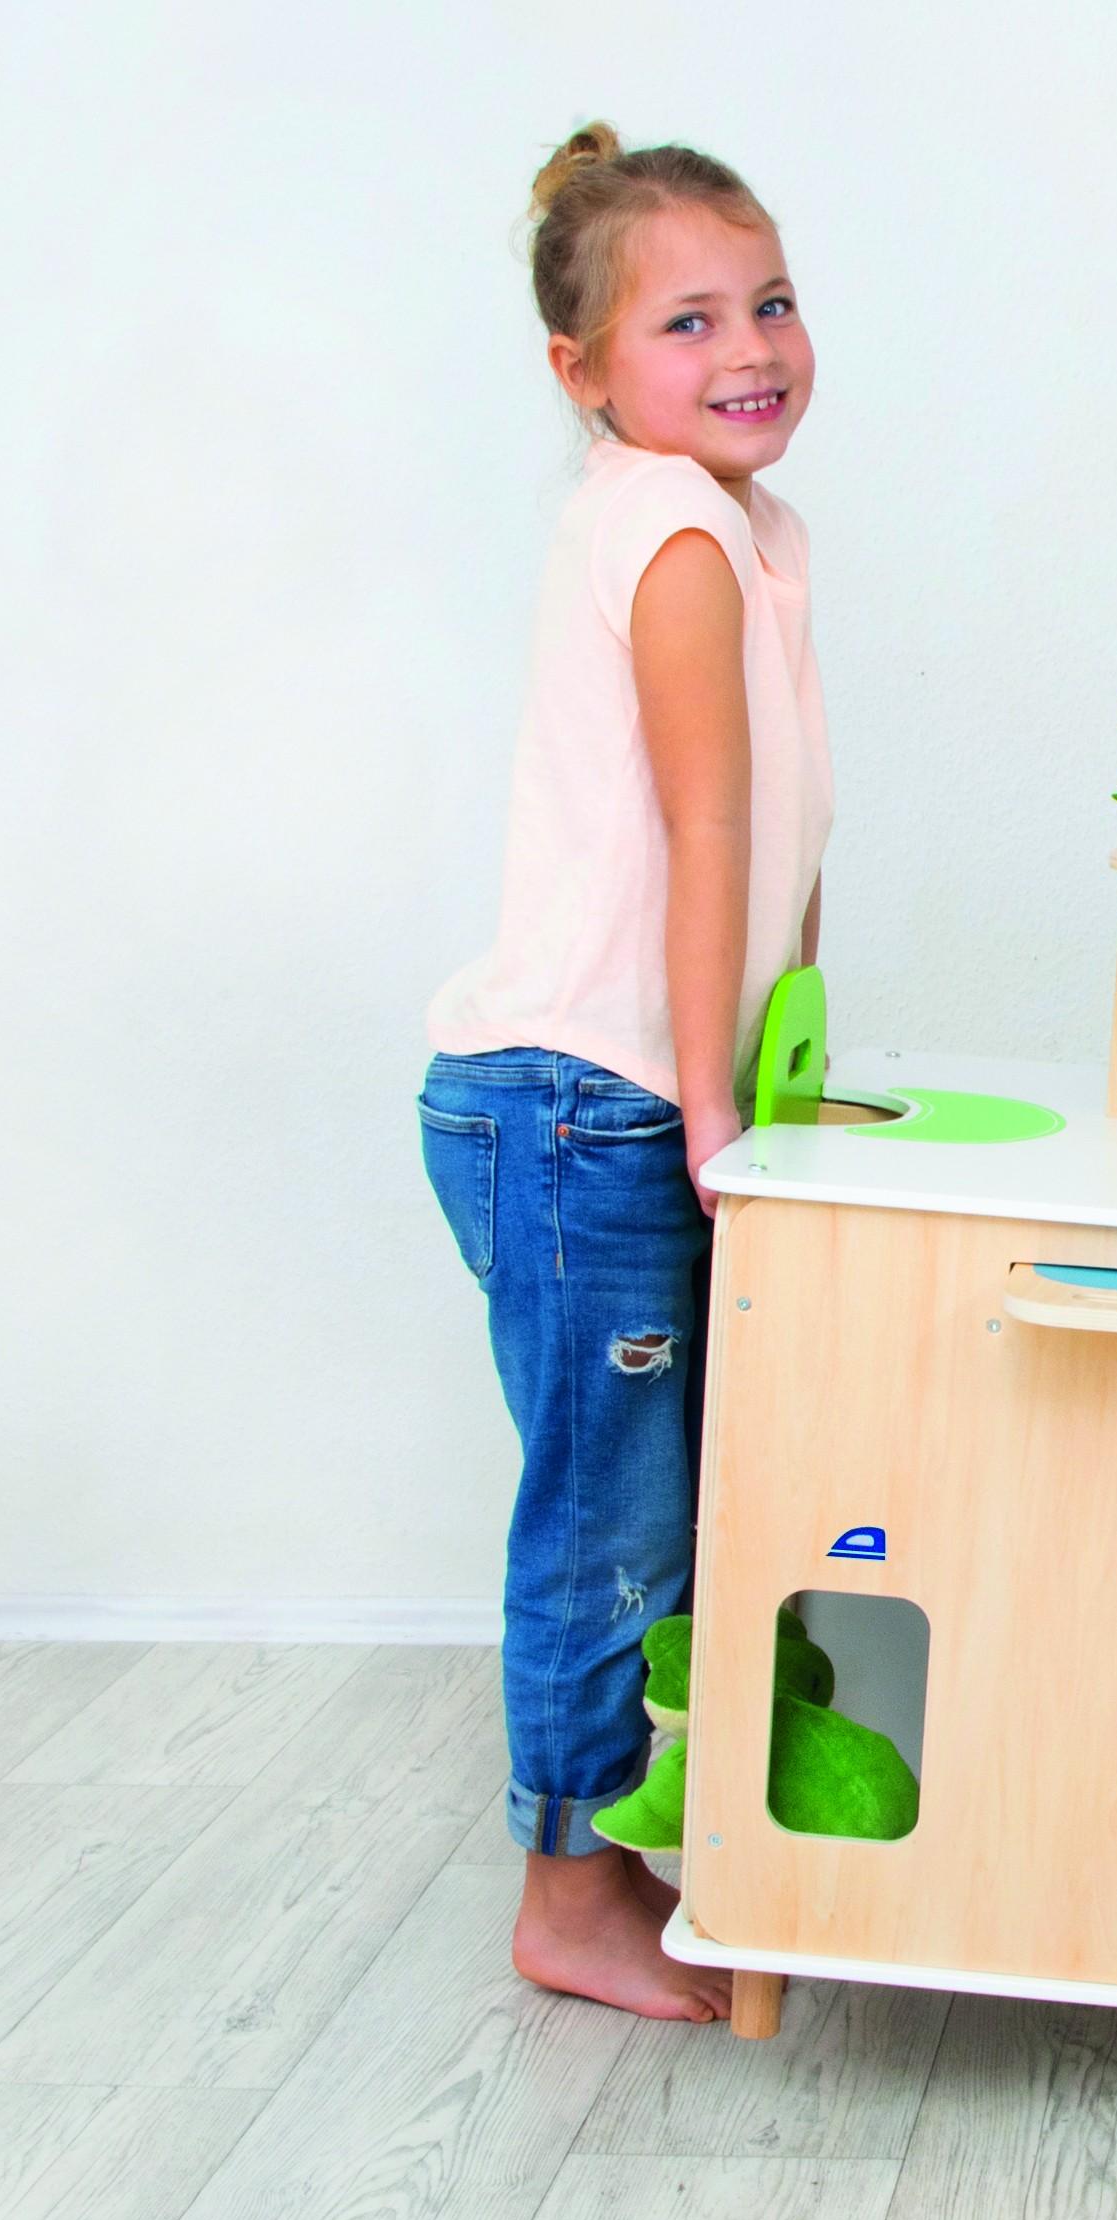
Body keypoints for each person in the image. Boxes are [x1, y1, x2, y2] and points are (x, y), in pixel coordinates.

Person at [419, 122, 831, 2019]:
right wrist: (711, 1110)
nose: (749, 347)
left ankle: (619, 1841)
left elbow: (790, 846)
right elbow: (706, 827)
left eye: (772, 302)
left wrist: (783, 1063)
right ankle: (564, 1887)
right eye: (688, 321)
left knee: (659, 1504)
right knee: (608, 1518)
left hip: (625, 1096)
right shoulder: (668, 529)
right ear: (581, 371)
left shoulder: (748, 531)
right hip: (581, 1102)